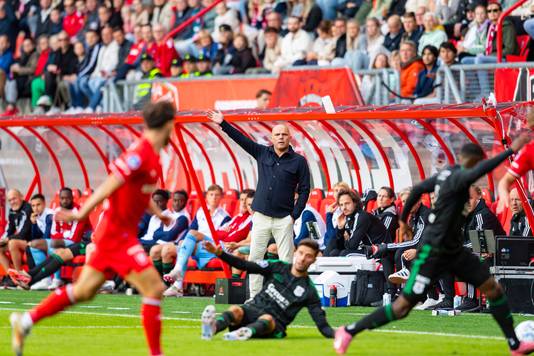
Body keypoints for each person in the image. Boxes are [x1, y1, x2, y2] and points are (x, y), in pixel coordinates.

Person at [333, 136, 534, 356]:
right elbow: (488, 166)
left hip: (454, 250)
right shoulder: (460, 176)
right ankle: (349, 331)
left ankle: (514, 345)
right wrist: (511, 150)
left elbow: (418, 189)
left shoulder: (445, 176)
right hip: (434, 251)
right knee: (402, 307)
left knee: (493, 289)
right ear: (474, 162)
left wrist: (403, 218)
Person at [10, 101, 176, 356]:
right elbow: (111, 184)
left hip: (117, 236)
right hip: (116, 236)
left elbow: (140, 192)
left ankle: (26, 322)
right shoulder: (140, 153)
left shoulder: (152, 156)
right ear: (168, 124)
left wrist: (158, 214)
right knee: (154, 289)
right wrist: (81, 213)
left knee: (84, 291)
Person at [207, 110, 310, 298]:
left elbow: (305, 190)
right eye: (277, 134)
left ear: (289, 138)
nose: (281, 137)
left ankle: (286, 297)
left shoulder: (299, 161)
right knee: (255, 258)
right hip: (261, 216)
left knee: (286, 260)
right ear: (272, 138)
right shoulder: (263, 153)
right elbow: (241, 140)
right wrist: (223, 123)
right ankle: (255, 297)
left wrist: (294, 215)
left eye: (284, 134)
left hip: (284, 218)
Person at [200, 239, 334, 340]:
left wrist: (344, 332)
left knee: (267, 318)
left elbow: (323, 327)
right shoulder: (277, 266)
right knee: (235, 309)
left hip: (273, 324)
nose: (303, 258)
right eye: (301, 253)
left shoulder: (309, 291)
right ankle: (212, 328)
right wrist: (219, 253)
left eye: (308, 256)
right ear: (295, 252)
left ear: (314, 260)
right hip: (252, 309)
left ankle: (245, 332)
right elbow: (244, 264)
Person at [326, 189, 389, 257]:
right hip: (365, 249)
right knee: (334, 252)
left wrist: (347, 239)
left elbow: (352, 247)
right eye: (341, 205)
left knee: (344, 254)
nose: (344, 208)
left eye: (347, 203)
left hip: (378, 251)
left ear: (355, 203)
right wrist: (340, 228)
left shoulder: (362, 217)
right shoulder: (347, 217)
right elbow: (338, 244)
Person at [0, 189, 33, 279]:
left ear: (21, 197)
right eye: (10, 200)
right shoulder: (12, 211)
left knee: (12, 243)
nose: (12, 202)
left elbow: (23, 233)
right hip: (22, 241)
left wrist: (7, 239)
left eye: (14, 199)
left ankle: (20, 276)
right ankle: (11, 277)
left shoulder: (28, 209)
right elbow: (9, 229)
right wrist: (2, 240)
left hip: (32, 242)